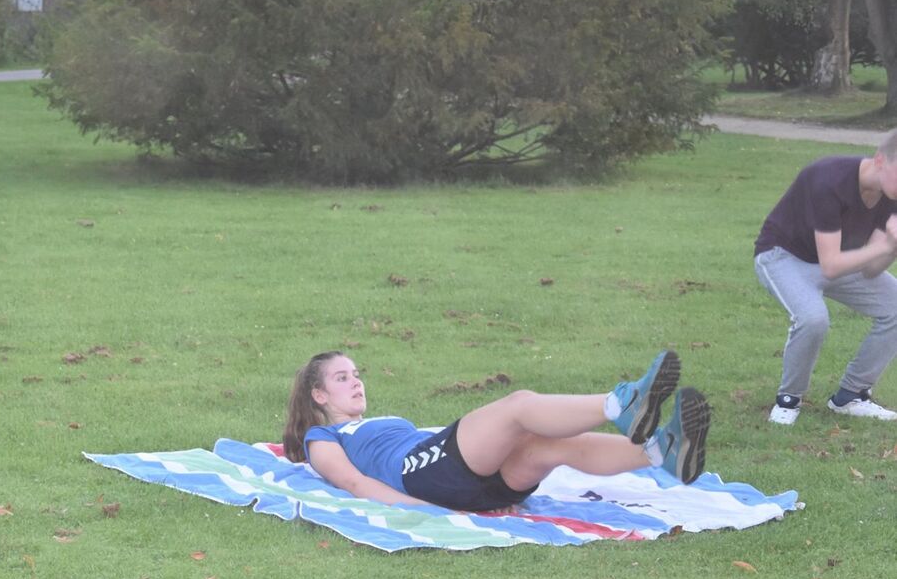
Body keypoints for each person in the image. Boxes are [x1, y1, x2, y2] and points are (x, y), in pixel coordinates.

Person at [282, 350, 709, 513]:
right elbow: (354, 482)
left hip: (482, 492)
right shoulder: (323, 438)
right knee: (519, 406)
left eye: (357, 373)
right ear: (318, 396)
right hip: (425, 474)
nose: (356, 381)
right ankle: (620, 405)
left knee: (552, 444)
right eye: (342, 378)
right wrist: (427, 512)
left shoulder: (380, 423)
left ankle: (659, 453)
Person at [754, 131, 897, 424]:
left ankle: (850, 396)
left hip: (837, 260)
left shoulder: (892, 195)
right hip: (782, 256)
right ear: (881, 160)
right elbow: (831, 266)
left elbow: (870, 269)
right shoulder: (828, 179)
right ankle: (789, 399)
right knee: (813, 318)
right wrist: (882, 246)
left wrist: (892, 247)